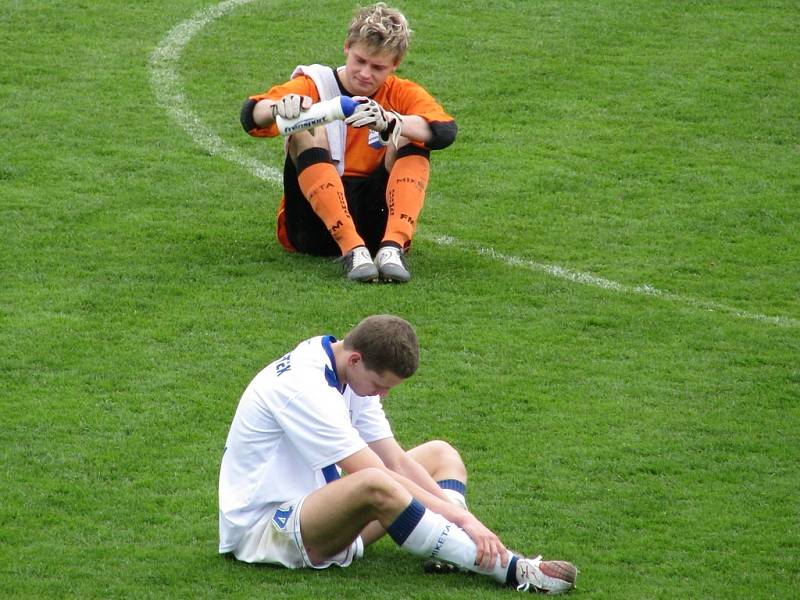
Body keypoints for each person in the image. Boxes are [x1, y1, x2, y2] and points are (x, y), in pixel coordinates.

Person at [218, 314, 578, 594]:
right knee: (374, 483)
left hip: (321, 512)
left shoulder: (345, 366)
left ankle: (453, 551)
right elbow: (379, 475)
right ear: (356, 359)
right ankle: (511, 570)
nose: (381, 396)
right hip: (268, 533)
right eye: (379, 385)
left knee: (440, 453)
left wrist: (457, 519)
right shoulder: (305, 388)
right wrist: (465, 520)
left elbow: (398, 461)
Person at [240, 3, 458, 283]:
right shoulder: (316, 83)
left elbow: (444, 131)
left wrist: (391, 122)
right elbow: (251, 116)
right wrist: (279, 108)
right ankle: (352, 249)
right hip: (313, 226)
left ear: (395, 64)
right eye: (360, 61)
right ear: (346, 48)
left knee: (410, 131)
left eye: (378, 67)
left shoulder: (402, 93)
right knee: (306, 127)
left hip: (374, 223)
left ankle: (392, 247)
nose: (365, 74)